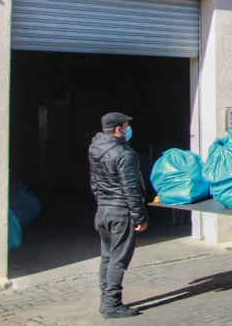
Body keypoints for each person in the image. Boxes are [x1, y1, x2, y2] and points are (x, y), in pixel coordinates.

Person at [88, 112, 148, 319]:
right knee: (118, 259)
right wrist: (140, 217)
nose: (128, 129)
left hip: (103, 209)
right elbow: (131, 188)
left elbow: (95, 183)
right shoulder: (124, 153)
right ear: (117, 129)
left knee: (107, 256)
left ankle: (106, 299)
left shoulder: (96, 148)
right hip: (121, 211)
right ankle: (112, 304)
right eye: (125, 126)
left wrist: (101, 204)